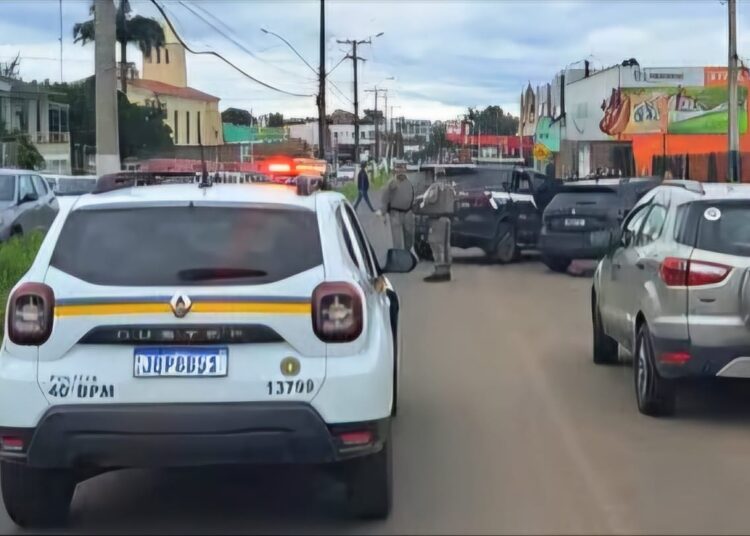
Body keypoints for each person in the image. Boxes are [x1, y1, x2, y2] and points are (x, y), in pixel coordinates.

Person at [419, 178, 454, 282]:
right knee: (445, 245)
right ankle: (446, 271)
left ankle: (440, 272)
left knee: (436, 244)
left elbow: (431, 198)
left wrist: (423, 200)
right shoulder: (450, 187)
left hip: (437, 219)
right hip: (448, 219)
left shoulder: (436, 186)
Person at [378, 172, 415, 250]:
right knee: (397, 239)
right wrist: (383, 213)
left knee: (409, 236)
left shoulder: (409, 183)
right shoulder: (392, 183)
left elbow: (413, 196)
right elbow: (385, 198)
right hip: (395, 214)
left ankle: (407, 252)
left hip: (408, 212)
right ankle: (398, 255)